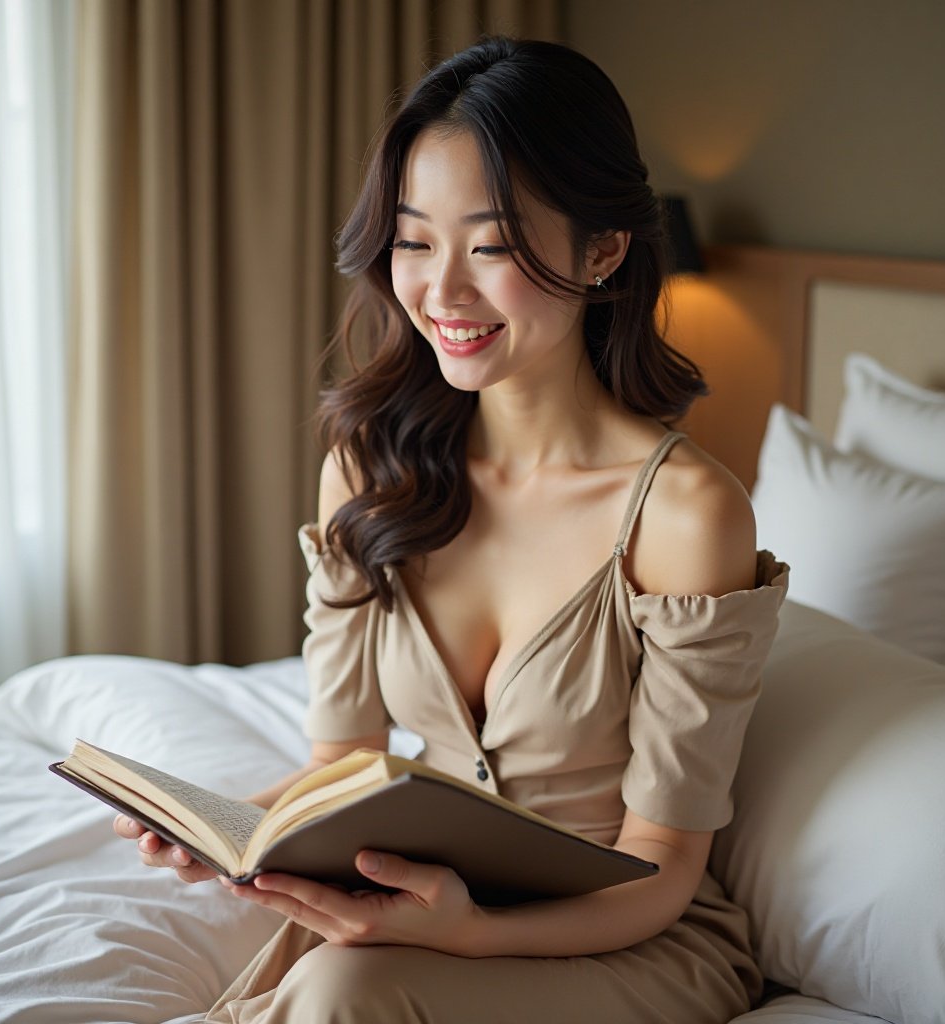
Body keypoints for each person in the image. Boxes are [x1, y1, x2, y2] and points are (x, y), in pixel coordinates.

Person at [115, 35, 788, 1023]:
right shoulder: (366, 469)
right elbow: (340, 762)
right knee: (343, 982)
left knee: (349, 991)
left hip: (622, 936)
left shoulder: (686, 515)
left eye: (493, 243)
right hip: (415, 912)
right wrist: (234, 827)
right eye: (414, 239)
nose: (442, 291)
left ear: (602, 249)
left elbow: (660, 867)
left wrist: (470, 931)